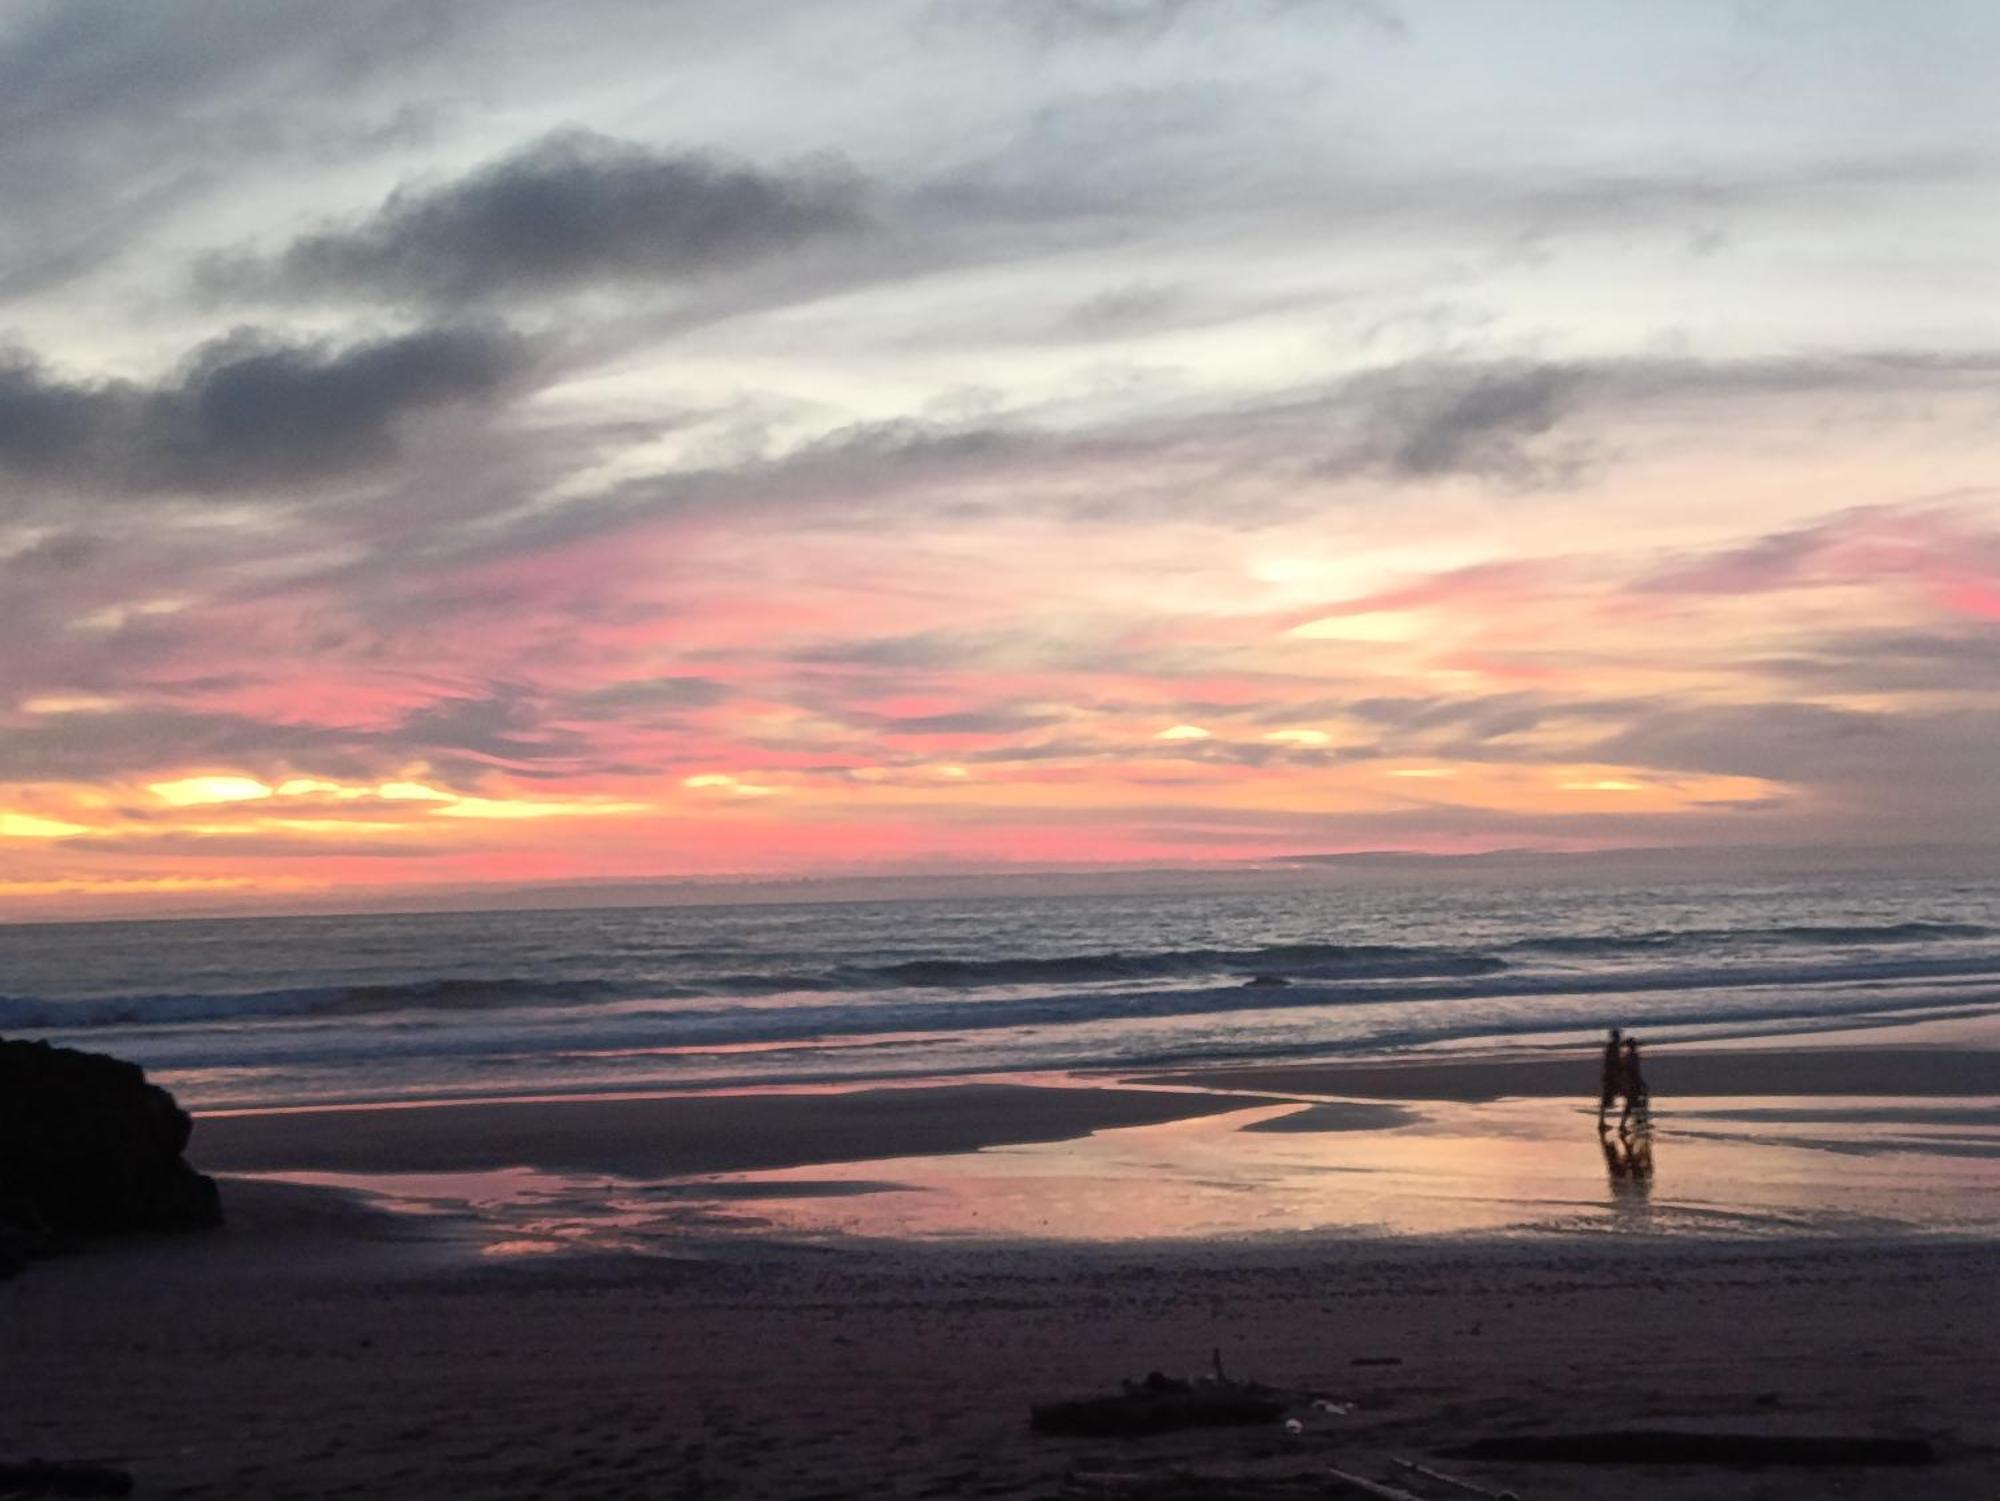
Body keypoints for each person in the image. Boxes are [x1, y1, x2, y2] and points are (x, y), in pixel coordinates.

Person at [1619, 1037, 1650, 1131]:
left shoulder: (1626, 1057)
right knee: (1637, 1102)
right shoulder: (1633, 1056)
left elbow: (1624, 1070)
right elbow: (1635, 1072)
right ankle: (1636, 1121)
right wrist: (1641, 1082)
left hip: (1628, 1083)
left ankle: (1634, 1121)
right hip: (1633, 1083)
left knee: (1631, 1104)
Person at [1597, 1027, 1624, 1126]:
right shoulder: (1613, 1047)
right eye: (1618, 1036)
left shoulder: (1612, 1047)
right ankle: (1602, 1123)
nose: (1620, 1038)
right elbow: (1613, 1062)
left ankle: (1602, 1122)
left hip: (1610, 1075)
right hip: (1612, 1076)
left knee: (1606, 1100)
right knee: (1606, 1100)